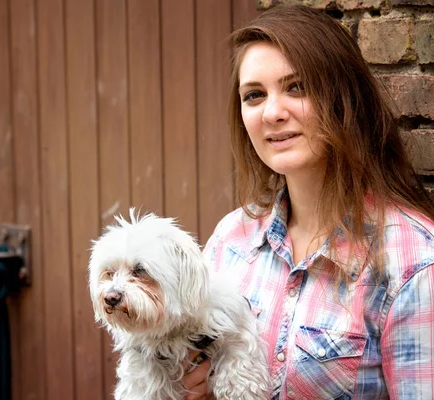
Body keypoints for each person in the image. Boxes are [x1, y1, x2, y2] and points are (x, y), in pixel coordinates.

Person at [182, 4, 434, 399]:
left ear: (343, 98)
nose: (272, 113)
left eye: (296, 87)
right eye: (254, 95)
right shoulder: (231, 242)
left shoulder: (412, 260)